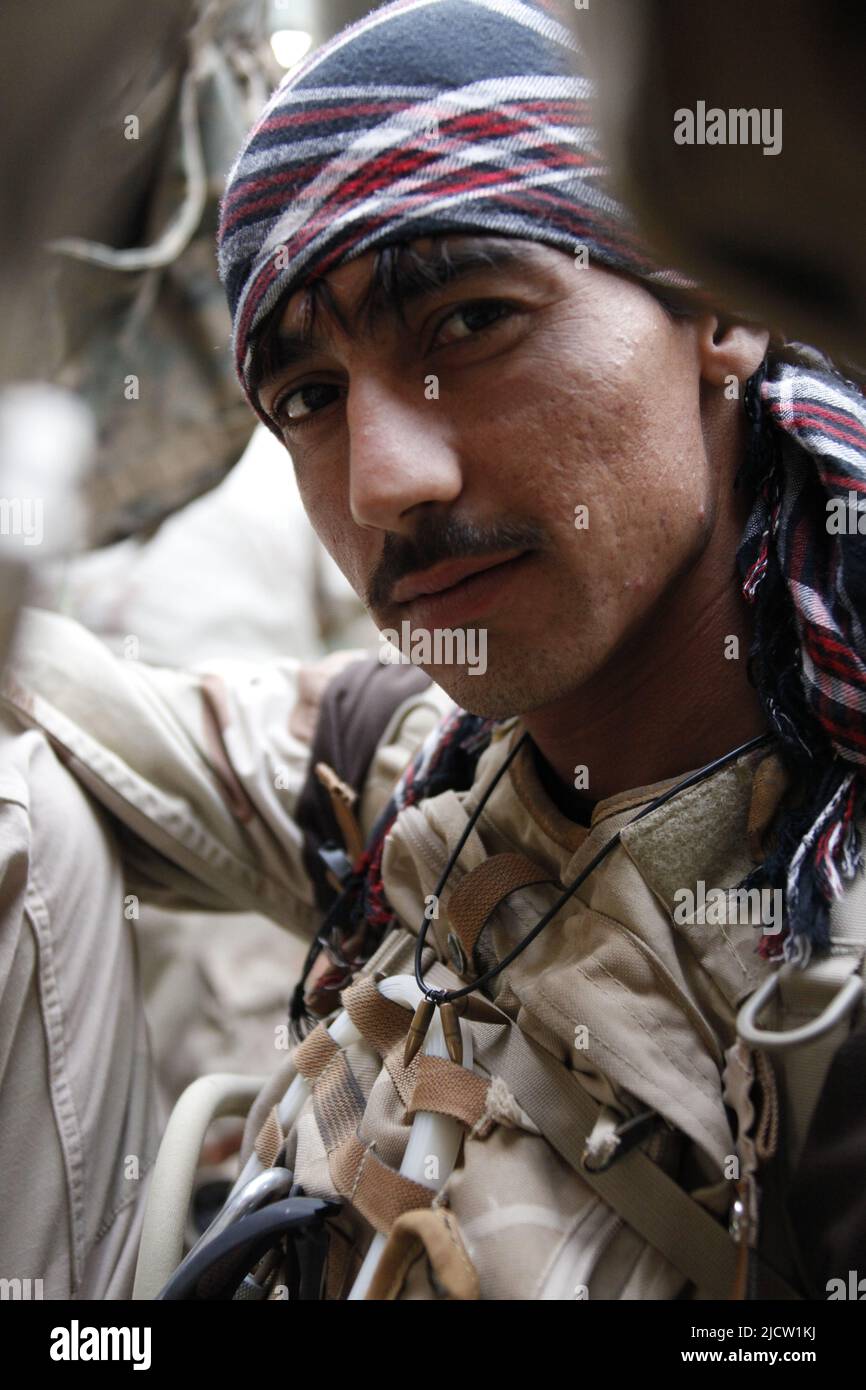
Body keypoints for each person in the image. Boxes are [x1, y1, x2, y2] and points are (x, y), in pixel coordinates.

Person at [2, 0, 865, 1299]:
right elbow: (69, 701)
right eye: (307, 398)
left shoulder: (824, 963)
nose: (383, 483)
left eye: (467, 323)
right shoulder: (415, 762)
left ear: (716, 309)